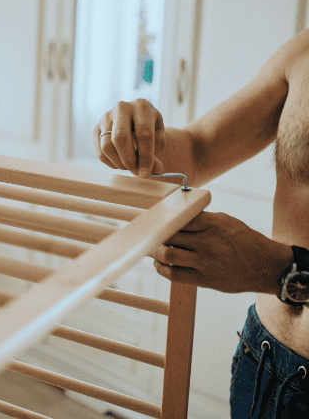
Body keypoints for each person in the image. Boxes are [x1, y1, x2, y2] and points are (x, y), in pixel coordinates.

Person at [93, 30, 309, 418]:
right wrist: (140, 141)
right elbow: (200, 148)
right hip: (262, 357)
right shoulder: (303, 51)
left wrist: (276, 270)